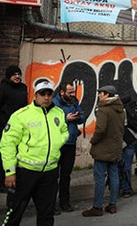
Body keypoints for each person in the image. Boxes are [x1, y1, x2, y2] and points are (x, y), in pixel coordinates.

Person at [0, 80, 68, 226]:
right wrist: (9, 171)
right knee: (15, 213)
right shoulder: (21, 115)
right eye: (42, 94)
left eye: (49, 94)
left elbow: (64, 131)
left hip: (50, 172)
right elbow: (7, 144)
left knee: (47, 215)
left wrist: (58, 141)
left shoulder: (59, 113)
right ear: (35, 95)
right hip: (26, 172)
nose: (46, 97)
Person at [82, 85, 124, 216]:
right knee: (114, 176)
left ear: (106, 95)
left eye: (101, 93)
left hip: (103, 149)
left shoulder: (104, 109)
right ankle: (112, 205)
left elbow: (100, 130)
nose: (99, 95)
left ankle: (97, 207)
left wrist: (93, 141)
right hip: (115, 147)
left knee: (99, 177)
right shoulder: (120, 109)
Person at [0, 64, 28, 193]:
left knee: (18, 154)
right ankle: (1, 183)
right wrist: (6, 123)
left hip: (20, 128)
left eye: (19, 74)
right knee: (5, 156)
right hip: (4, 127)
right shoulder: (2, 88)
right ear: (9, 76)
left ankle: (14, 181)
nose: (17, 77)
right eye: (14, 74)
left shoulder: (23, 88)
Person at [52, 81, 84, 213]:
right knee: (53, 176)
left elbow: (82, 117)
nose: (72, 94)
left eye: (73, 92)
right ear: (62, 92)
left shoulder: (74, 102)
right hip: (57, 144)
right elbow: (51, 121)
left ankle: (65, 202)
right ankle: (50, 204)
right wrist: (65, 118)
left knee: (66, 175)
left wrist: (77, 117)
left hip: (70, 142)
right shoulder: (54, 103)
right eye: (70, 92)